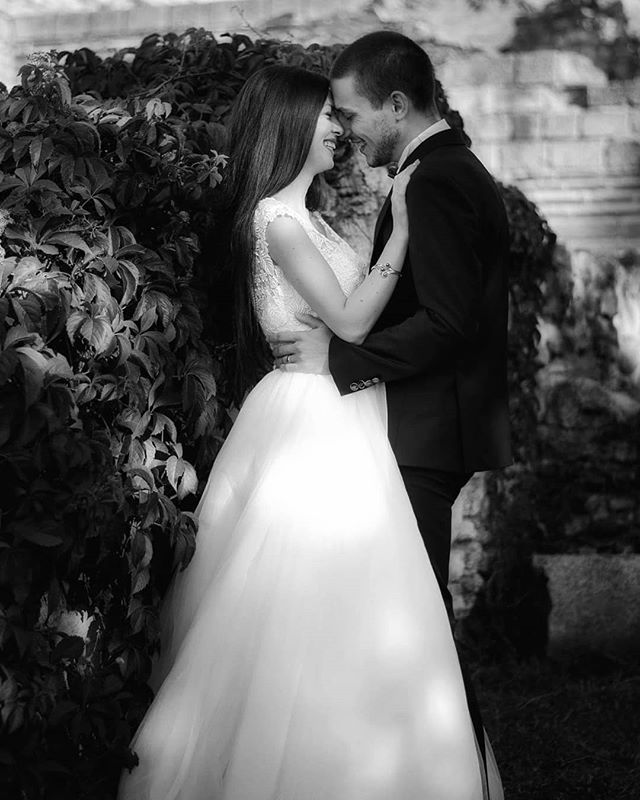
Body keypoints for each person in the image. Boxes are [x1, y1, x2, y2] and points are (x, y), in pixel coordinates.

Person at [118, 63, 503, 800]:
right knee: (306, 585)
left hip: (347, 407)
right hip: (313, 416)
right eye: (326, 116)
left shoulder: (317, 220)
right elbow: (354, 320)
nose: (338, 128)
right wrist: (405, 233)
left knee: (360, 592)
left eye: (339, 114)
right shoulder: (278, 220)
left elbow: (353, 315)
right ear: (292, 126)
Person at [269, 30, 512, 794]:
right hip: (429, 426)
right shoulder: (447, 167)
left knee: (418, 622)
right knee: (414, 614)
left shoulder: (434, 180)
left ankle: (449, 776)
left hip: (424, 431)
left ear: (397, 106)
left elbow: (446, 322)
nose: (345, 129)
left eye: (351, 112)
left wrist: (339, 363)